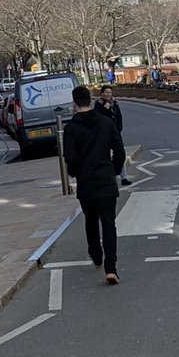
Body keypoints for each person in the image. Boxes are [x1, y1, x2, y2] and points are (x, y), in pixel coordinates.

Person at [63, 84, 125, 285]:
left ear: (74, 104)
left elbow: (70, 159)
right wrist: (114, 170)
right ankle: (111, 268)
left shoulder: (71, 128)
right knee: (109, 223)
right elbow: (120, 150)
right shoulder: (106, 123)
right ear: (90, 101)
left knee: (90, 220)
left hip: (86, 182)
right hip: (106, 178)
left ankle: (96, 254)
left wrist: (76, 173)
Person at [94, 86, 131, 186]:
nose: (108, 94)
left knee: (120, 154)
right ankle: (110, 176)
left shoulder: (114, 104)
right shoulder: (98, 104)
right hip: (104, 135)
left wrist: (118, 129)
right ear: (101, 94)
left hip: (115, 133)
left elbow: (119, 116)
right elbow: (98, 119)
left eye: (110, 92)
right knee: (105, 155)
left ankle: (124, 177)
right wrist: (105, 110)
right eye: (106, 92)